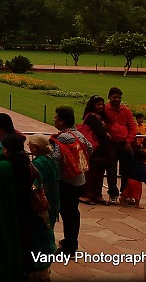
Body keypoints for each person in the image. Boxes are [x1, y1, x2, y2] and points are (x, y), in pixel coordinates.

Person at [0, 134, 38, 282]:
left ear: (5, 150)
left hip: (2, 216)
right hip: (24, 215)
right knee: (20, 249)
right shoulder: (28, 166)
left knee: (2, 251)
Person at [50, 105, 92, 257]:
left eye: (56, 117)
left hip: (66, 181)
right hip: (79, 179)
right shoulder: (78, 134)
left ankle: (69, 246)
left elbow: (55, 157)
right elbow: (90, 148)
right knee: (73, 213)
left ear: (61, 121)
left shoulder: (62, 137)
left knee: (67, 214)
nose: (54, 119)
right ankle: (71, 242)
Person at [26, 135, 61, 282]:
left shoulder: (38, 163)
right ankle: (44, 268)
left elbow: (34, 187)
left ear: (35, 147)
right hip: (51, 202)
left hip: (41, 206)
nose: (28, 146)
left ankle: (39, 270)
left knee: (39, 237)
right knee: (47, 232)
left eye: (30, 145)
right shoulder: (50, 161)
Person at [104, 87, 136, 205]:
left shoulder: (126, 111)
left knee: (126, 170)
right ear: (109, 97)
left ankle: (125, 194)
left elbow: (132, 128)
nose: (117, 99)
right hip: (111, 144)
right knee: (111, 170)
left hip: (124, 144)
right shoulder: (105, 110)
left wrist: (128, 141)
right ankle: (113, 193)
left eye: (119, 97)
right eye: (115, 97)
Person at [78, 95, 110, 205]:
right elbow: (99, 131)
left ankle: (97, 194)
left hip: (101, 149)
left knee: (99, 173)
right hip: (93, 149)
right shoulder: (92, 117)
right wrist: (106, 134)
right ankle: (86, 195)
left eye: (102, 104)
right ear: (92, 105)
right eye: (98, 104)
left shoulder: (98, 117)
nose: (101, 106)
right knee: (91, 173)